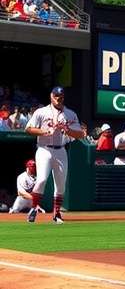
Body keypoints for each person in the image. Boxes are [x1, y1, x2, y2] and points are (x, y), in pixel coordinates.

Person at [24, 86, 85, 224]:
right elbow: (28, 128)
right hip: (44, 149)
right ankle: (34, 208)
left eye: (61, 96)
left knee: (61, 185)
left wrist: (67, 130)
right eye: (56, 95)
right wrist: (44, 132)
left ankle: (56, 214)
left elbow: (80, 134)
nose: (58, 98)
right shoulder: (42, 111)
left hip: (61, 150)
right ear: (51, 96)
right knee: (41, 180)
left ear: (64, 97)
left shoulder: (70, 114)